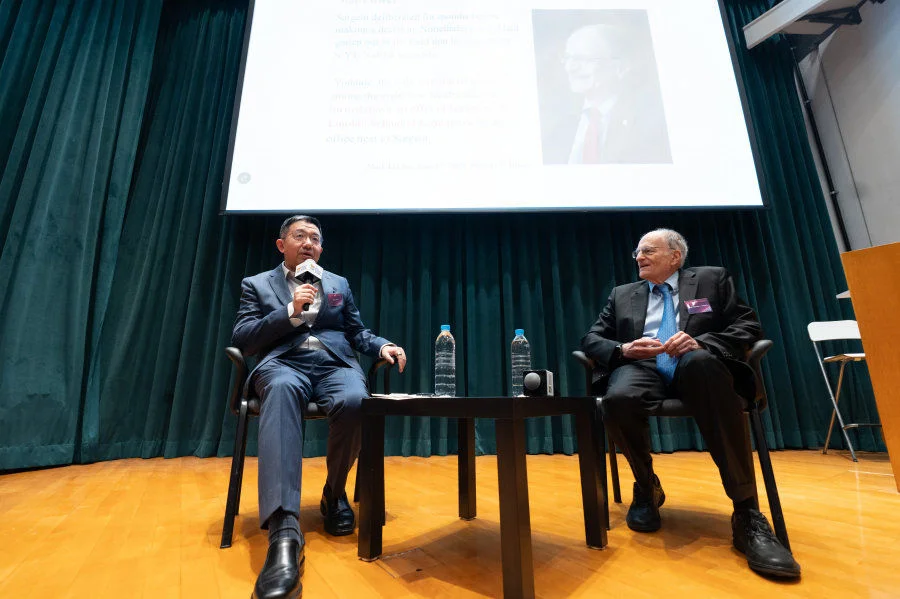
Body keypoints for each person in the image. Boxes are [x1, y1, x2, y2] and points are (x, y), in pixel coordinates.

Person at [580, 229, 800, 579]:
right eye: (637, 252)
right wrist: (623, 349)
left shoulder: (712, 279)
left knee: (702, 365)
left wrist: (703, 342)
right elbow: (592, 338)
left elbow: (748, 325)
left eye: (647, 250)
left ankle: (746, 512)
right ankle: (646, 487)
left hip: (697, 363)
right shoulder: (622, 294)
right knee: (617, 399)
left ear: (675, 256)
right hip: (643, 366)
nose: (639, 257)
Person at [232, 215, 407, 599]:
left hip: (335, 365)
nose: (308, 243)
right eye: (300, 236)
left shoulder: (338, 283)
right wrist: (289, 312)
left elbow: (356, 332)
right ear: (282, 245)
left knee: (357, 400)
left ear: (321, 248)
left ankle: (334, 492)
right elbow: (243, 337)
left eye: (315, 238)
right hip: (283, 364)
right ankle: (284, 530)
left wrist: (382, 346)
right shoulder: (256, 284)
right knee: (280, 390)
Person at [541, 22, 671, 165]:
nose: (570, 68)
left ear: (621, 68)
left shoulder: (650, 127)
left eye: (583, 59)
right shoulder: (559, 127)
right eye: (567, 58)